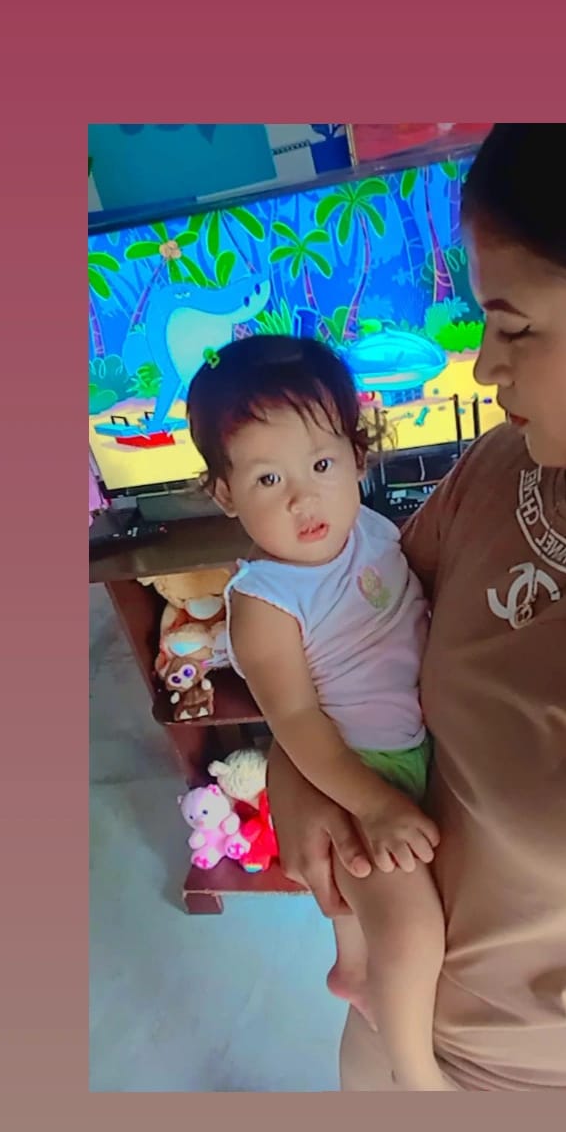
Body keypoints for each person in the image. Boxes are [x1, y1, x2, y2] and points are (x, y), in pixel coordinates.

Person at [267, 123, 566, 1091]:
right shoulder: (503, 466)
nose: (481, 366)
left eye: (515, 328)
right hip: (392, 1027)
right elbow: (359, 627)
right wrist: (298, 763)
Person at [187, 335, 454, 1091]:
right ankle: (418, 1077)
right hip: (359, 773)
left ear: (358, 457)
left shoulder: (373, 530)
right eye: (268, 478)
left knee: (385, 927)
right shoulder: (264, 603)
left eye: (321, 465)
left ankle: (353, 965)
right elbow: (298, 725)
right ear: (224, 493)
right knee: (412, 932)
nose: (302, 499)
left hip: (417, 749)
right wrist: (374, 805)